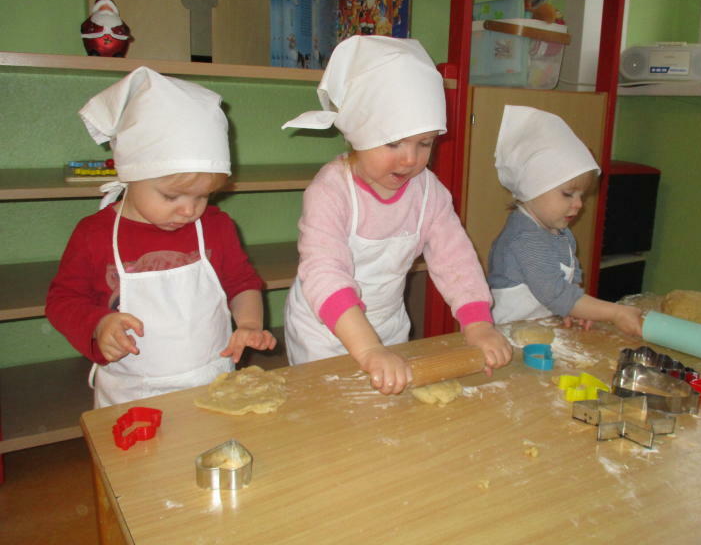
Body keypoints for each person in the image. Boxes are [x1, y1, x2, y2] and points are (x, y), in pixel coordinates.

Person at [281, 35, 512, 395]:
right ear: (357, 133)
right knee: (326, 418)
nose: (410, 159)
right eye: (393, 142)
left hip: (388, 327)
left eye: (424, 143)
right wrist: (368, 349)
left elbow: (456, 259)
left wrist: (477, 323)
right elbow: (324, 273)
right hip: (324, 332)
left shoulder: (429, 192)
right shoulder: (331, 190)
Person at [46, 67, 276, 408]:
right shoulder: (93, 235)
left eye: (203, 196)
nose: (189, 210)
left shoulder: (216, 226)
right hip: (131, 392)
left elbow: (242, 283)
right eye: (172, 196)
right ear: (131, 174)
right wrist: (99, 324)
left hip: (212, 380)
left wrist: (249, 323)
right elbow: (62, 301)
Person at [488, 105, 642, 337]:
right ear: (533, 188)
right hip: (509, 335)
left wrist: (578, 310)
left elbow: (571, 282)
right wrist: (615, 312)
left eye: (582, 195)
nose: (579, 205)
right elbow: (558, 294)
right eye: (568, 194)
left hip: (542, 327)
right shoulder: (525, 238)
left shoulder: (560, 231)